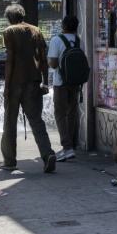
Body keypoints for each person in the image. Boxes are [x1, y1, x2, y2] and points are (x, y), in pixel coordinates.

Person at [0, 4, 57, 173]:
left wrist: (7, 86)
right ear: (23, 15)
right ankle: (47, 154)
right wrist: (46, 82)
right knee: (37, 121)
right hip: (33, 82)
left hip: (15, 83)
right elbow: (43, 58)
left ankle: (10, 161)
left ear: (9, 18)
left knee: (9, 123)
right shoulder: (36, 30)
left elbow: (10, 60)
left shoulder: (9, 31)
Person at [48, 14, 82, 162]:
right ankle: (70, 146)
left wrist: (48, 61)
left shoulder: (56, 40)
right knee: (71, 114)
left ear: (63, 25)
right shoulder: (79, 41)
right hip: (75, 83)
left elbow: (53, 64)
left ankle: (67, 148)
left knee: (60, 114)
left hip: (60, 83)